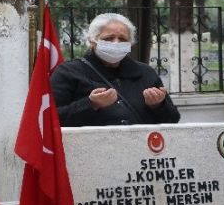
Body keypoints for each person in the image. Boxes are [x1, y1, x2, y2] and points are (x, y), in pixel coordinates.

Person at [51, 13, 180, 127]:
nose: (116, 43)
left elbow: (173, 119)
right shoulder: (68, 72)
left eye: (123, 39)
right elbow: (50, 119)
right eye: (108, 38)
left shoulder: (145, 73)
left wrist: (158, 105)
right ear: (92, 41)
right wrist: (90, 104)